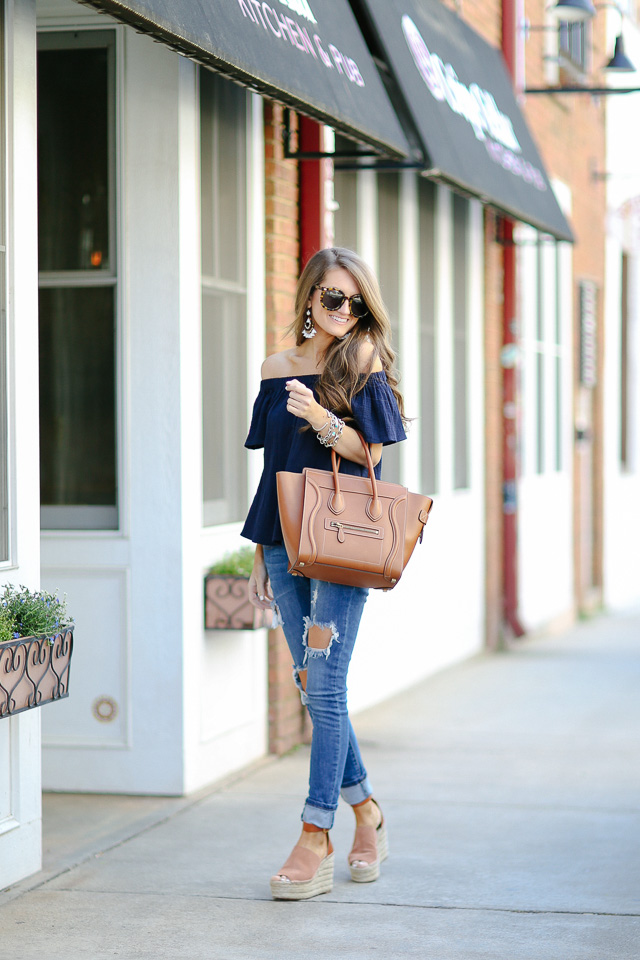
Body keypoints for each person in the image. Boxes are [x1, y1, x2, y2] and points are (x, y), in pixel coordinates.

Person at [241, 246, 407, 900]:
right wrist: (260, 547)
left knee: (326, 682)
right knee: (312, 685)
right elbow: (270, 465)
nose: (344, 311)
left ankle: (317, 833)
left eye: (355, 302)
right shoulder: (275, 369)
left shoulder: (363, 361)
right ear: (309, 297)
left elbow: (373, 453)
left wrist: (321, 418)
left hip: (340, 543)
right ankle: (369, 812)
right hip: (284, 541)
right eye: (333, 298)